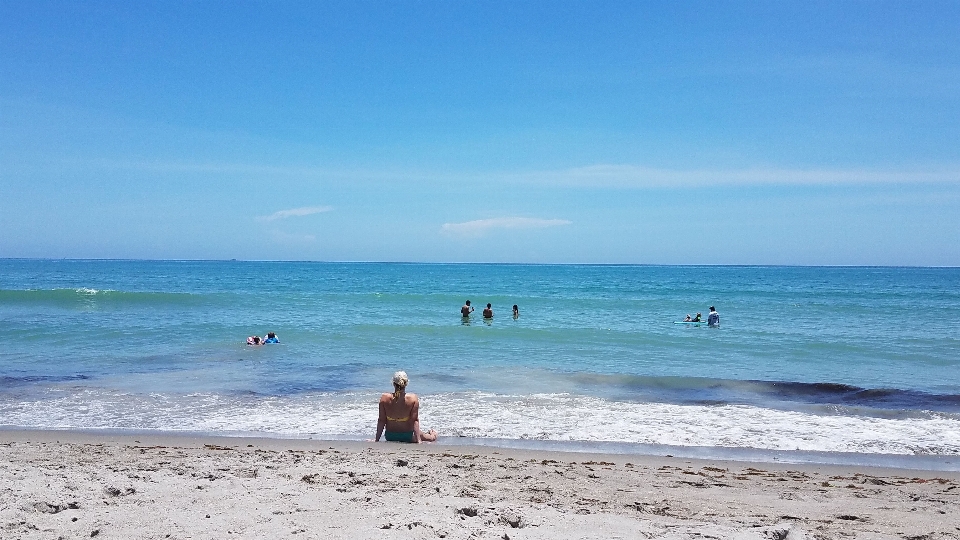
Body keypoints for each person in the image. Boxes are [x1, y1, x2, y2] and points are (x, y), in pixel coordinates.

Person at [376, 371, 437, 444]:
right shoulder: (412, 399)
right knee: (429, 437)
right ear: (406, 384)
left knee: (422, 434)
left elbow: (381, 420)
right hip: (407, 436)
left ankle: (429, 433)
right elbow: (414, 421)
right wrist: (419, 440)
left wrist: (376, 439)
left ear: (393, 383)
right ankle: (433, 434)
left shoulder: (384, 398)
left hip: (390, 436)